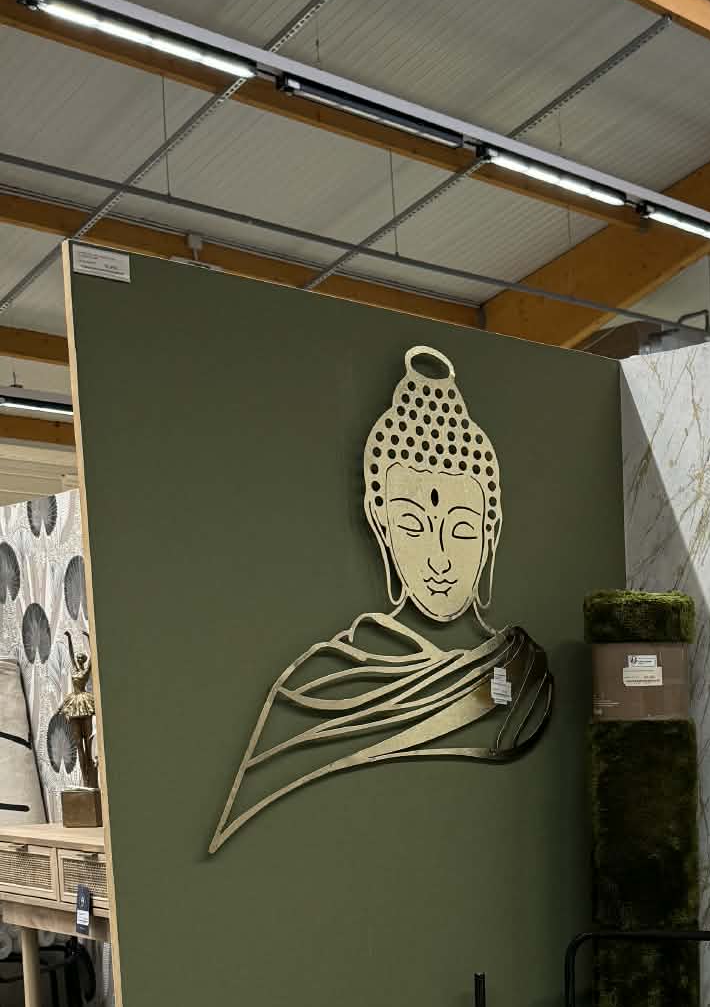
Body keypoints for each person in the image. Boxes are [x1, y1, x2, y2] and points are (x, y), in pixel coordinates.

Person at [209, 345, 551, 854]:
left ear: (490, 531)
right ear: (381, 523)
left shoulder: (523, 670)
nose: (439, 559)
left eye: (461, 530)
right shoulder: (324, 677)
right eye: (413, 525)